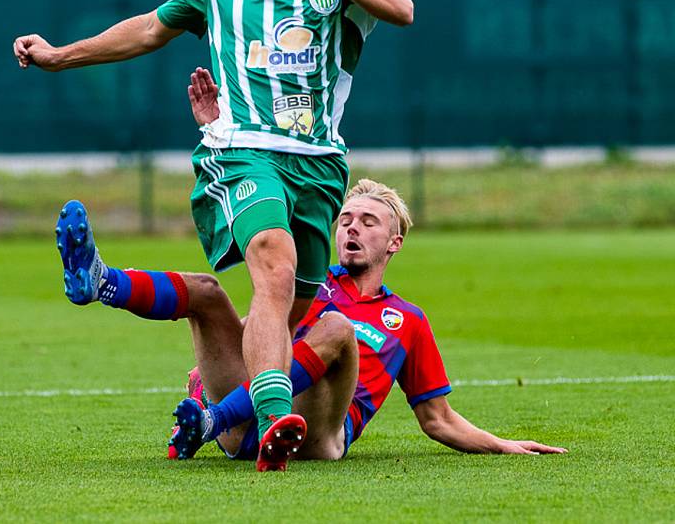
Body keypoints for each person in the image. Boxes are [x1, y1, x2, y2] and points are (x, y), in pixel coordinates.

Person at [13, 0, 414, 460]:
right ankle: (278, 420)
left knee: (282, 312)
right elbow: (151, 28)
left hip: (319, 162)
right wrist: (59, 55)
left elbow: (403, 9)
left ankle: (226, 414)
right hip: (241, 147)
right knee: (273, 263)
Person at [163, 72, 567, 464]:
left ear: (395, 243)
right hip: (252, 425)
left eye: (368, 222)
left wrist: (502, 445)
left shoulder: (408, 320)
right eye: (347, 219)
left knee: (337, 329)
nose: (352, 227)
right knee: (205, 292)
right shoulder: (307, 281)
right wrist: (216, 133)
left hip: (318, 434)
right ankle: (103, 281)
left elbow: (437, 419)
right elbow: (254, 332)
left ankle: (214, 415)